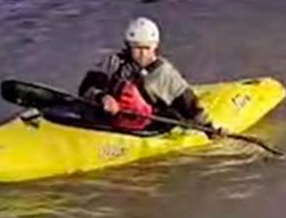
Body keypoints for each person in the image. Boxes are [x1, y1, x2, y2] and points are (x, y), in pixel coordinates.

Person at [78, 17, 221, 135]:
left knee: (172, 114)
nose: (142, 54)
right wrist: (103, 97)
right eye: (137, 48)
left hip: (146, 125)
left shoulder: (165, 74)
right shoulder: (114, 63)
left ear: (155, 47)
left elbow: (190, 106)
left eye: (147, 48)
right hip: (112, 120)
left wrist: (210, 129)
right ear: (128, 46)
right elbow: (86, 87)